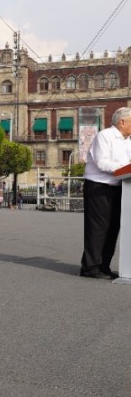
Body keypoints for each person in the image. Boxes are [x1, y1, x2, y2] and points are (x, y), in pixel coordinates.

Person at [80, 107, 131, 279]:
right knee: (98, 228)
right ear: (122, 121)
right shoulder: (105, 136)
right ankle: (90, 267)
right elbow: (102, 162)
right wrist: (124, 169)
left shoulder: (128, 140)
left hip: (119, 186)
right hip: (99, 186)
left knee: (113, 228)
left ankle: (104, 266)